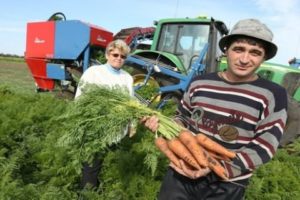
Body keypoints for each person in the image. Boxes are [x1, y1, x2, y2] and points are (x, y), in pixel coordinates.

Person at [143, 19, 288, 200]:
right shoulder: (200, 83)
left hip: (227, 181)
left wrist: (215, 167)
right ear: (226, 50)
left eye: (255, 53)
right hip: (183, 172)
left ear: (263, 57)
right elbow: (182, 118)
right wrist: (164, 126)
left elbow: (265, 146)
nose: (244, 59)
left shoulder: (273, 93)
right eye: (238, 49)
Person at [75, 39, 133, 188]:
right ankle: (86, 195)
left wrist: (132, 124)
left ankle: (103, 189)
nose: (119, 58)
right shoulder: (94, 72)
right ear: (107, 55)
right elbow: (81, 98)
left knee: (109, 163)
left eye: (123, 56)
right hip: (96, 127)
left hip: (117, 129)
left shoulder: (127, 77)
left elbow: (131, 103)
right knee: (92, 167)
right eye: (115, 54)